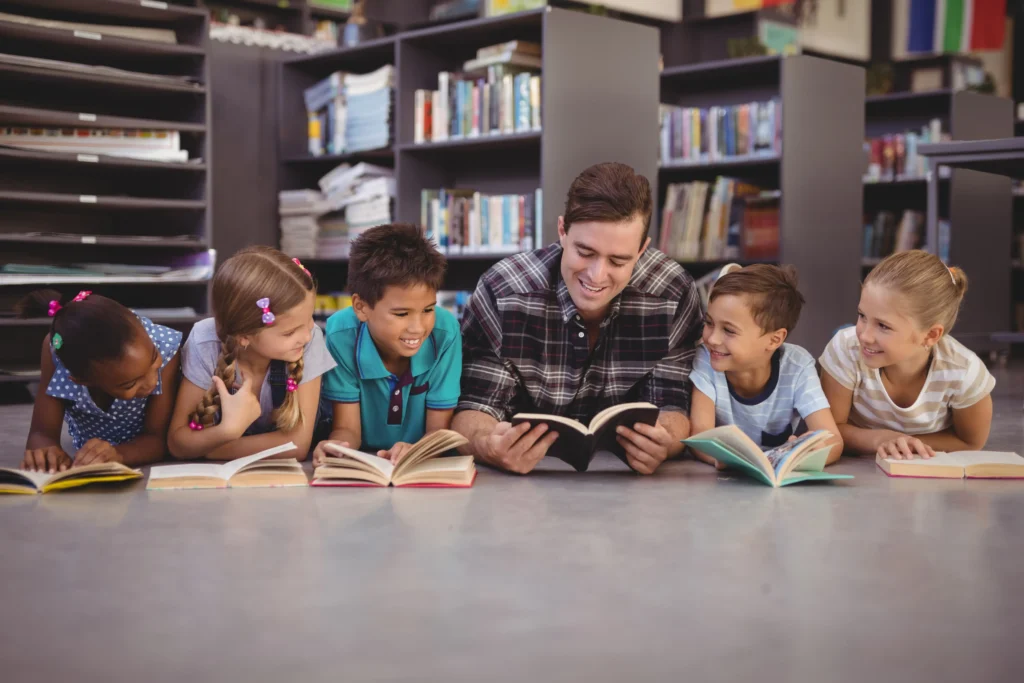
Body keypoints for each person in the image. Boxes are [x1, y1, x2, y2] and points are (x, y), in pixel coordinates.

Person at [452, 162, 703, 474]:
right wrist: (487, 444)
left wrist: (667, 441)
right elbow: (474, 407)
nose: (597, 275)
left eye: (618, 260)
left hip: (631, 492)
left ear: (641, 250)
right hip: (522, 489)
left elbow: (673, 406)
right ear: (562, 231)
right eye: (585, 252)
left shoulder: (673, 293)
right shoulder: (504, 291)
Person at [819, 250, 994, 460]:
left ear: (930, 335)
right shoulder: (845, 349)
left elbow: (970, 442)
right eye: (862, 316)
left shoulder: (964, 372)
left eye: (883, 326)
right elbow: (830, 429)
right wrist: (880, 440)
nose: (864, 336)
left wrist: (905, 444)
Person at [168, 247, 336, 461]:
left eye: (309, 319)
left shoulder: (309, 339)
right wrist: (227, 431)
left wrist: (210, 448)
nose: (306, 336)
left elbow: (297, 445)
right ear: (244, 336)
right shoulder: (205, 341)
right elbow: (178, 443)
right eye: (290, 332)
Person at [314, 224, 461, 466]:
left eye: (427, 310)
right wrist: (336, 447)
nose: (418, 327)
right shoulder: (341, 334)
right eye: (402, 314)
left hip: (427, 465)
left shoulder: (445, 333)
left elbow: (438, 432)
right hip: (368, 466)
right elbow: (347, 429)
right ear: (361, 307)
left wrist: (417, 450)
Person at [687, 265, 843, 467]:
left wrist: (803, 455)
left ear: (774, 339)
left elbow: (832, 439)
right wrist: (728, 460)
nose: (712, 339)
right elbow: (700, 436)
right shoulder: (706, 359)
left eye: (729, 330)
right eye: (709, 323)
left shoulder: (798, 366)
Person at [19, 290, 181, 472]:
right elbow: (42, 433)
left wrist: (118, 455)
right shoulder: (58, 353)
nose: (152, 382)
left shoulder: (164, 348)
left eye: (154, 361)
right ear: (82, 380)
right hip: (91, 454)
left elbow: (157, 440)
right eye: (129, 384)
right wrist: (45, 452)